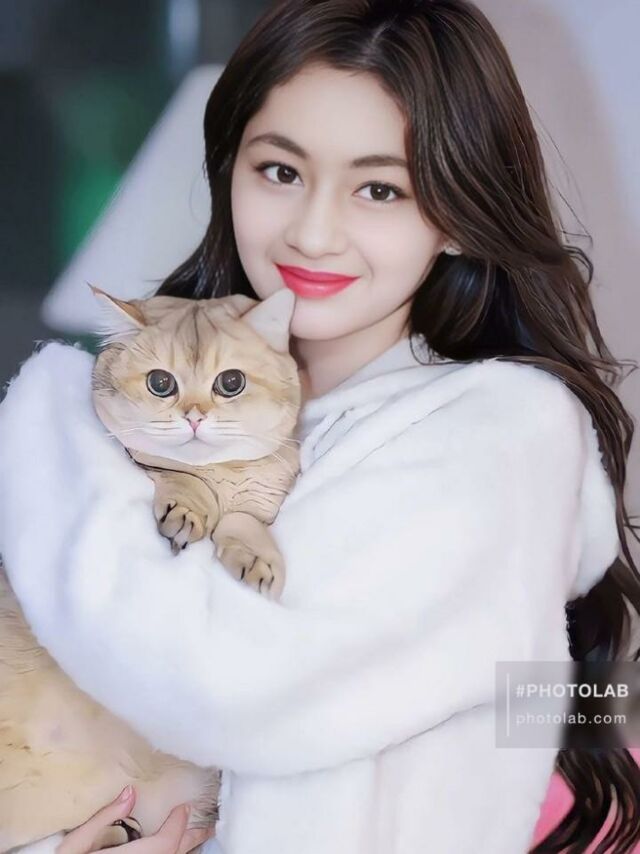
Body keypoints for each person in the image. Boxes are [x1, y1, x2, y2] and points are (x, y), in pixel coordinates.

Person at [2, 0, 639, 851]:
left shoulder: (500, 433)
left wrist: (47, 437)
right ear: (229, 170)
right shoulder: (166, 406)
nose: (311, 232)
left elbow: (229, 684)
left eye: (379, 189)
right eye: (280, 171)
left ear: (457, 215)